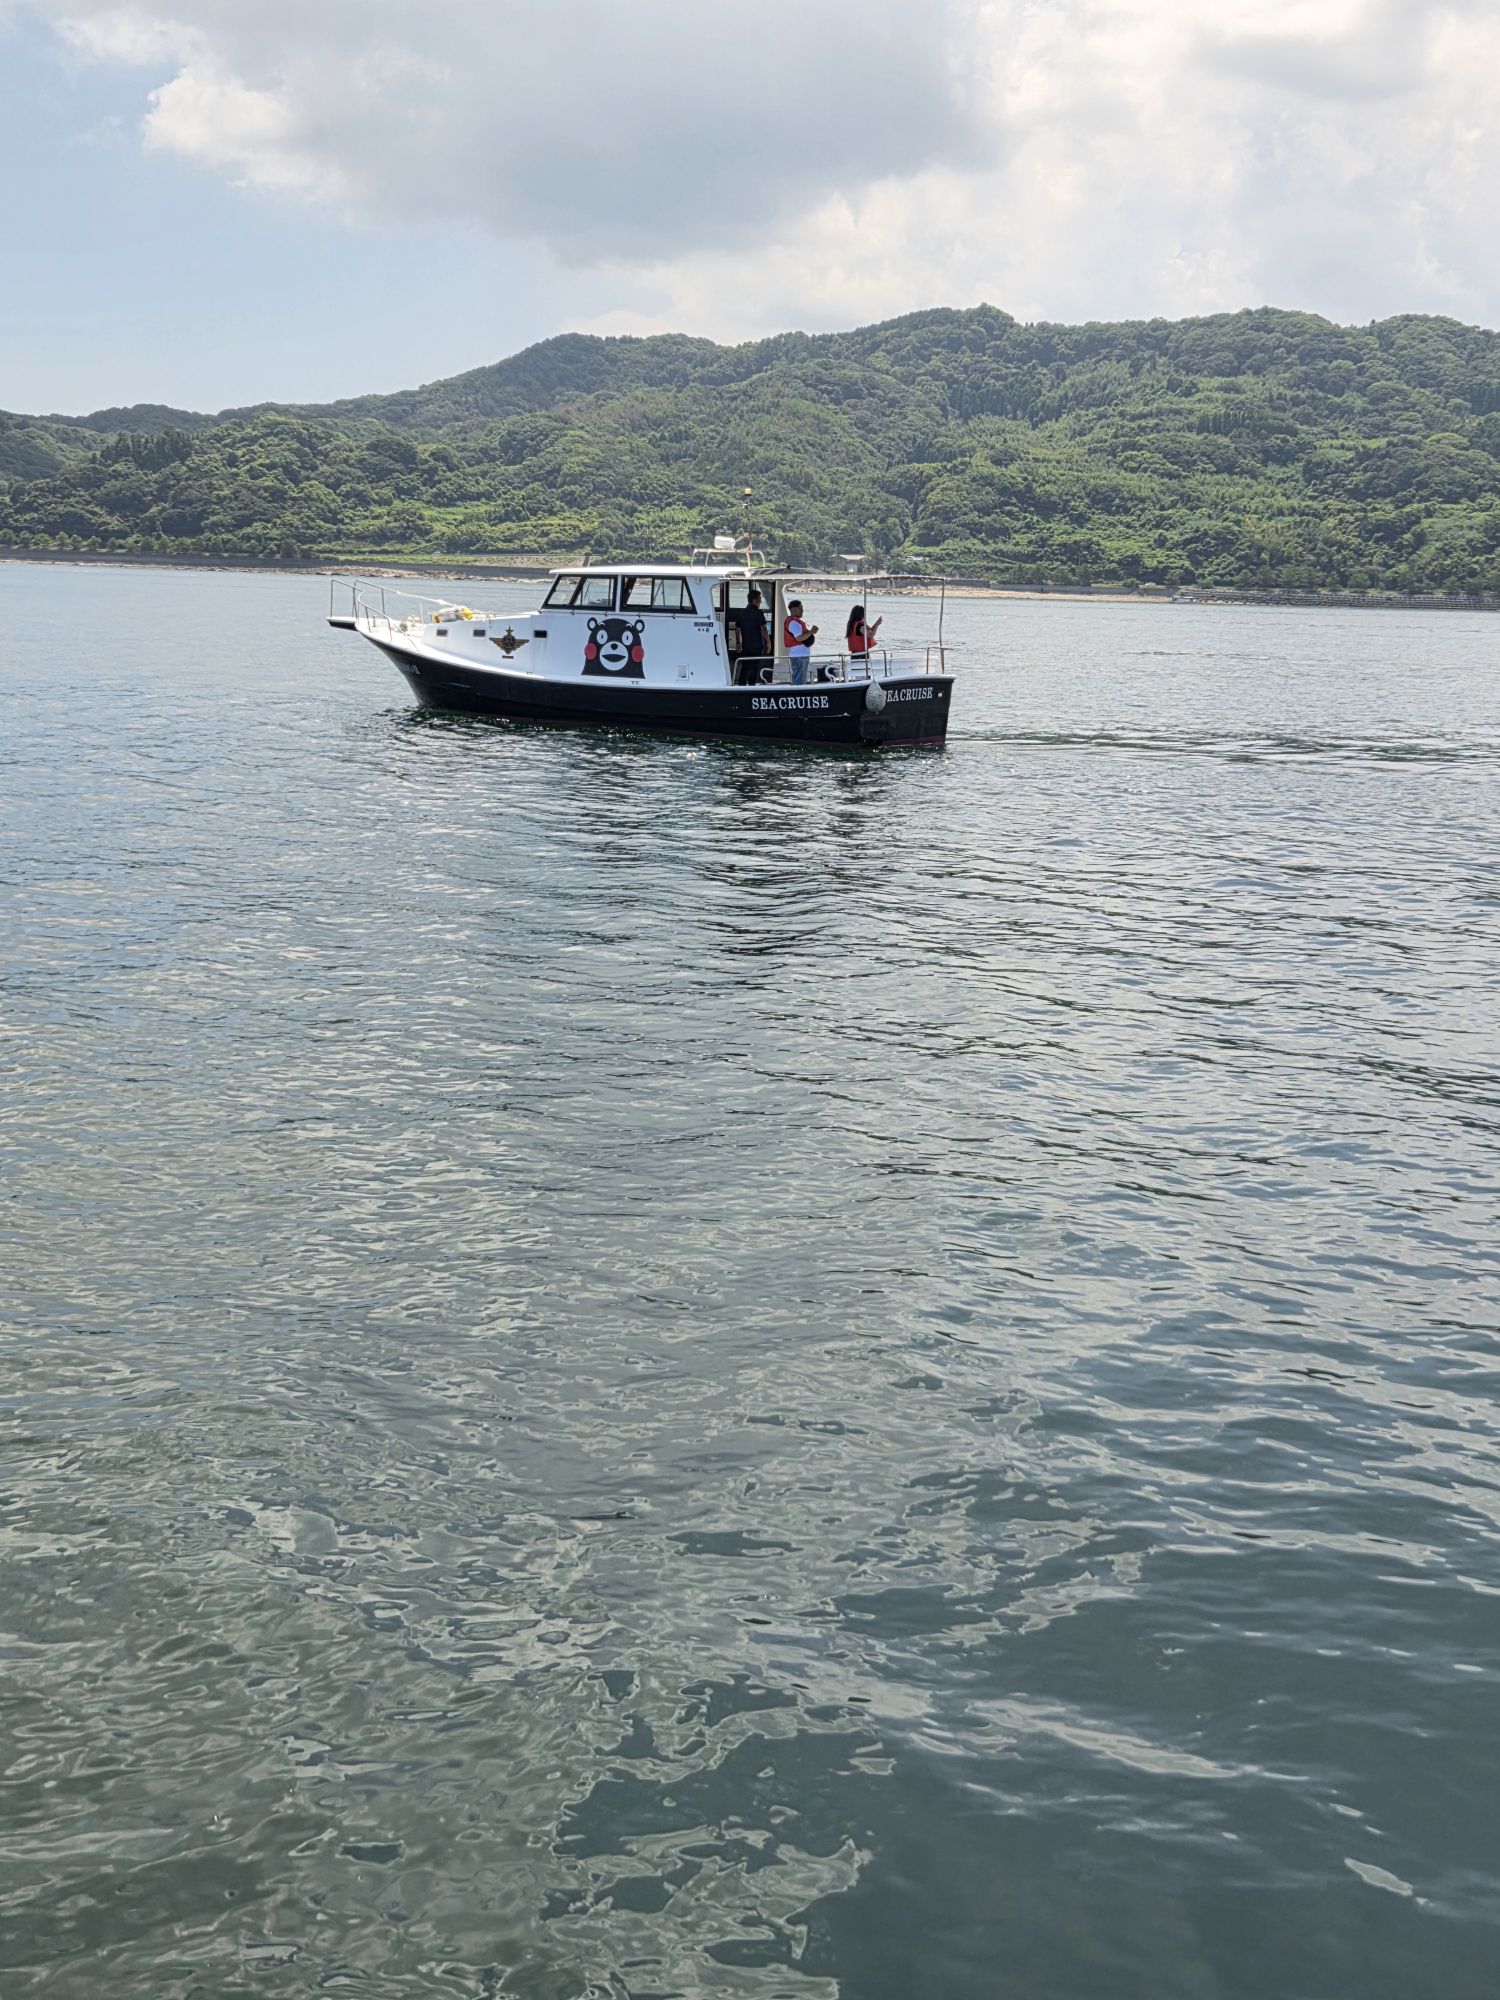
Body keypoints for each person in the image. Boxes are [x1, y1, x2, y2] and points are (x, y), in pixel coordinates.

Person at [736, 586, 771, 684]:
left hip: (745, 646)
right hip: (756, 645)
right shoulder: (758, 612)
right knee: (754, 668)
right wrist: (768, 642)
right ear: (754, 600)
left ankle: (741, 686)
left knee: (744, 667)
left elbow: (737, 629)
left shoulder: (741, 613)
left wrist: (738, 643)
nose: (761, 601)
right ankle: (751, 686)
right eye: (759, 599)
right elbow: (763, 628)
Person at [783, 598, 817, 685]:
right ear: (794, 609)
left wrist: (810, 632)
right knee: (799, 681)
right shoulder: (793, 623)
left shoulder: (794, 622)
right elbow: (799, 638)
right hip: (799, 656)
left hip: (800, 656)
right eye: (801, 608)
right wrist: (811, 632)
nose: (802, 611)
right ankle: (797, 692)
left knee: (800, 680)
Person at [845, 603, 883, 668]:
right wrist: (877, 625)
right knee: (863, 672)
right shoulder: (860, 626)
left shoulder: (852, 625)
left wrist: (877, 623)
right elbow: (870, 635)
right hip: (861, 655)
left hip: (854, 655)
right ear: (861, 614)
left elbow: (869, 631)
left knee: (856, 672)